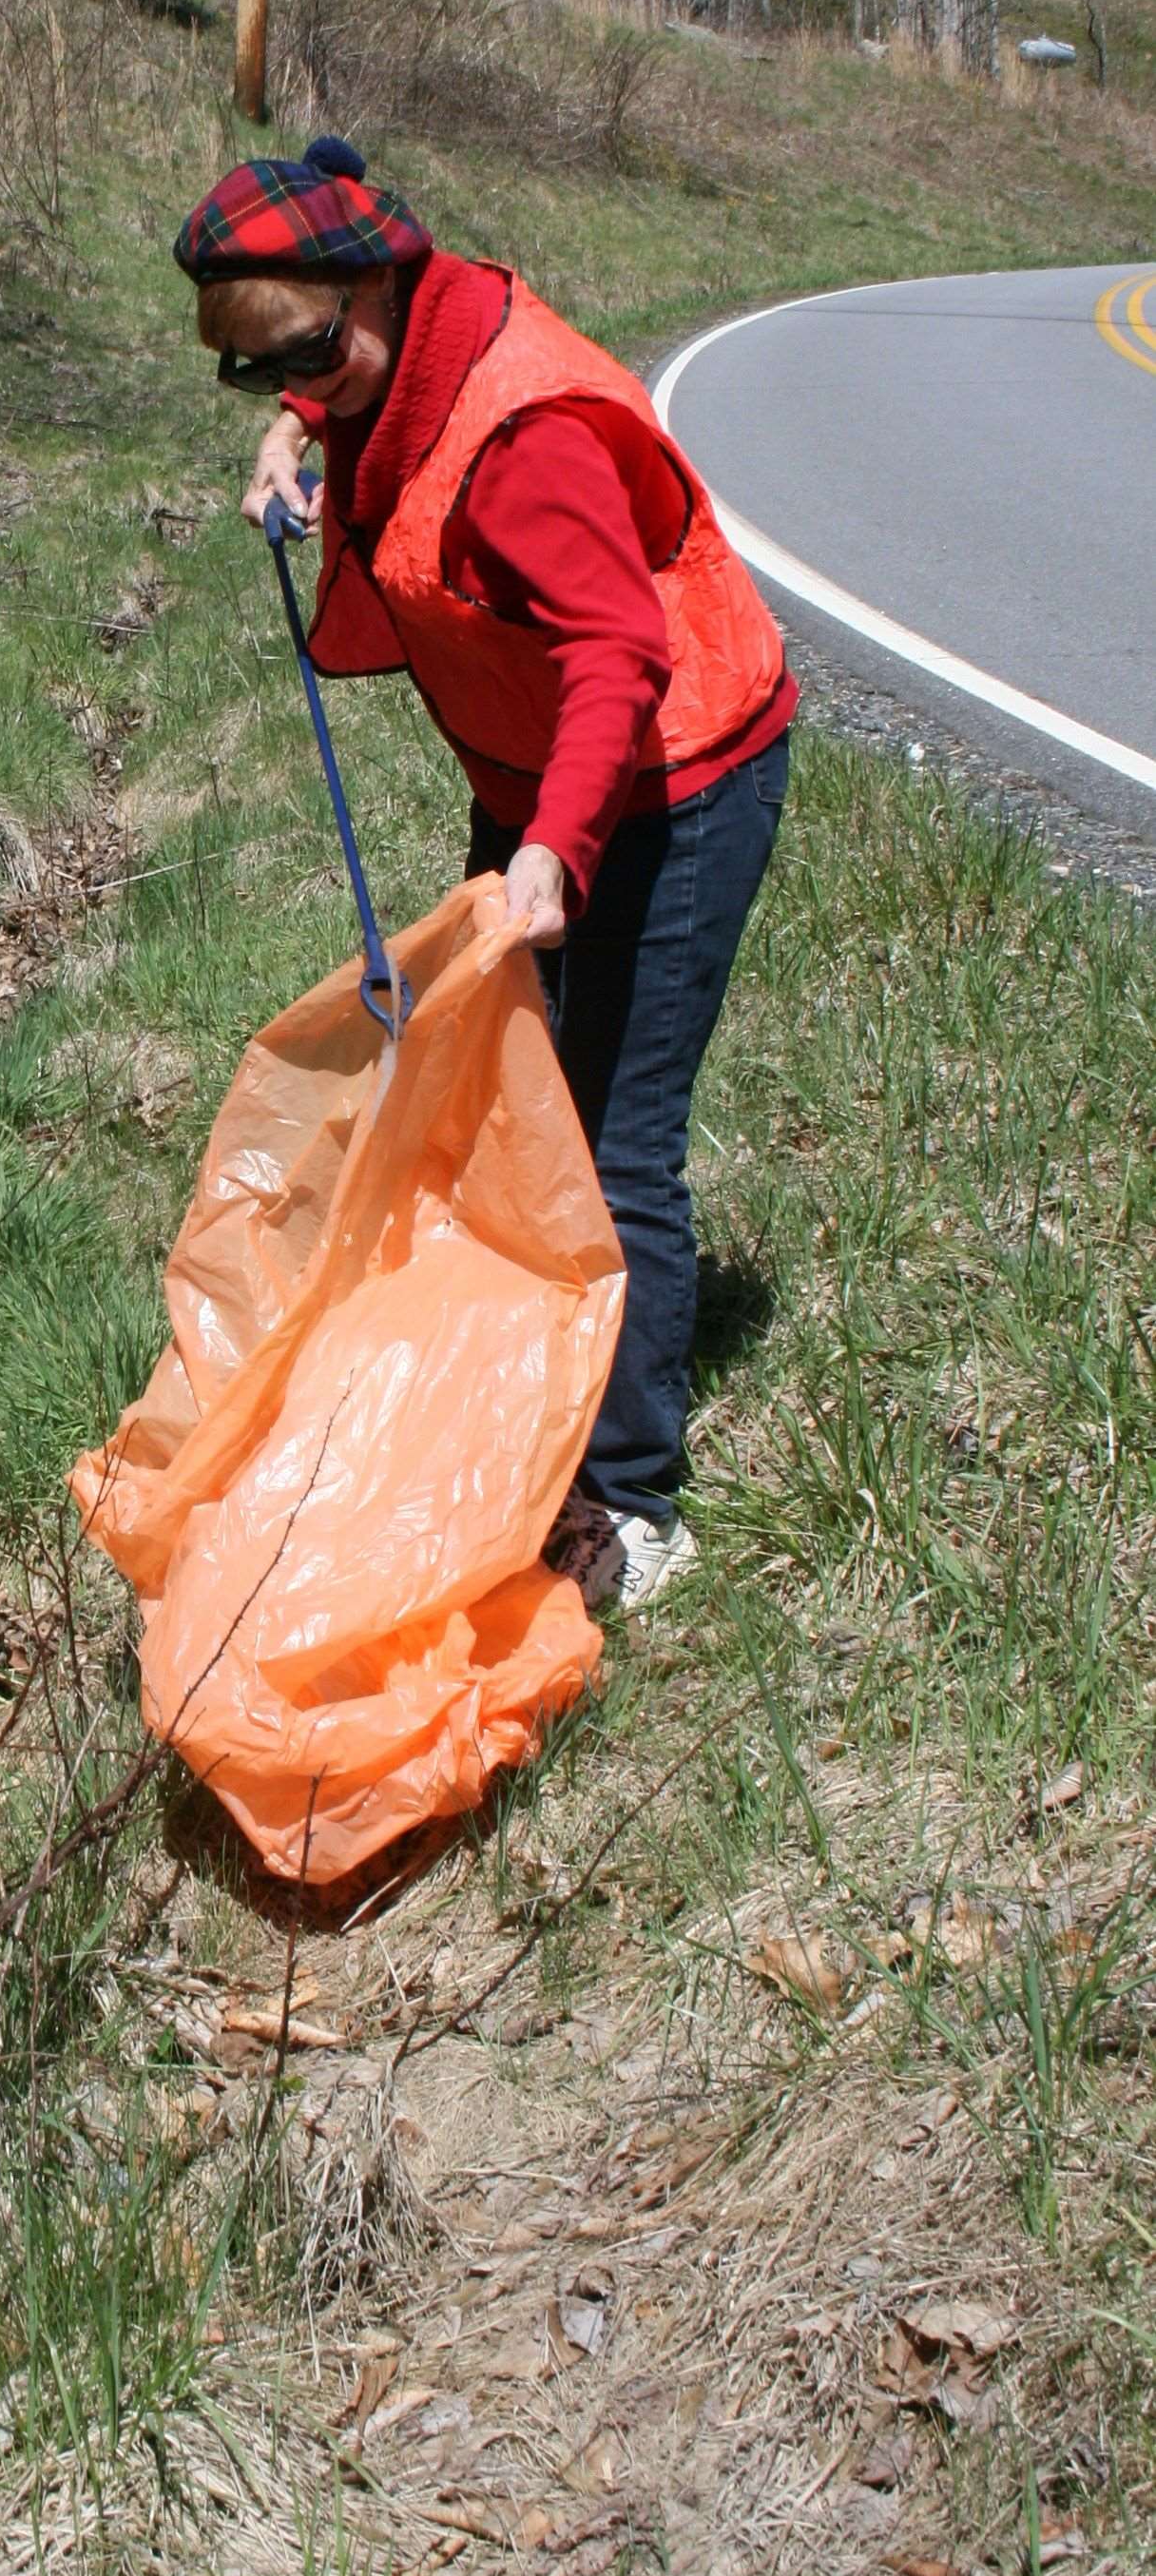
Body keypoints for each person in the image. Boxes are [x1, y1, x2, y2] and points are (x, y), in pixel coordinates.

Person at [174, 132, 796, 1616]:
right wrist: (300, 433)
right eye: (255, 378)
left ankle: (635, 1502)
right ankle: (526, 1374)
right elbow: (363, 409)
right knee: (498, 1102)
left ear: (372, 281)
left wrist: (553, 858)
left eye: (306, 361)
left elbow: (621, 654)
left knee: (612, 1136)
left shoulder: (525, 440)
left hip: (676, 772)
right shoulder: (382, 358)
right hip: (540, 780)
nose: (293, 394)